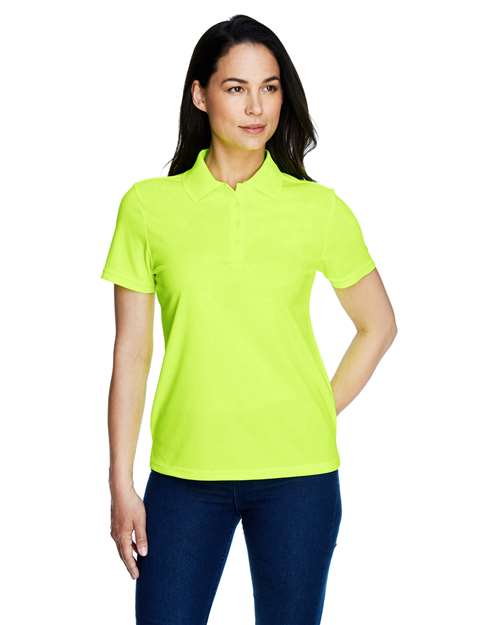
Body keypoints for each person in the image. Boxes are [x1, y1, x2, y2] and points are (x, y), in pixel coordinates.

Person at [100, 14, 397, 625]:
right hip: (184, 475)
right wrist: (120, 482)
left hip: (299, 477)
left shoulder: (318, 209)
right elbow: (131, 351)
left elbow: (378, 325)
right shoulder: (148, 208)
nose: (256, 107)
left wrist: (315, 407)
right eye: (236, 88)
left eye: (270, 87)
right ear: (200, 94)